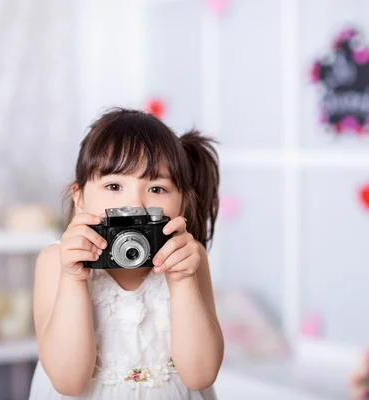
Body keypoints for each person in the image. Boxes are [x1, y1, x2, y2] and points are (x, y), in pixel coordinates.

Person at [29, 108, 224, 399]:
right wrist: (72, 278)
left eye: (157, 188)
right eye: (114, 186)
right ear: (79, 198)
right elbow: (68, 382)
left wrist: (183, 281)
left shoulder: (189, 261)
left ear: (183, 204)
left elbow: (201, 375)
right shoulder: (56, 263)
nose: (134, 204)